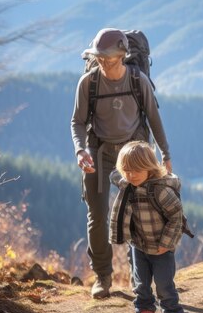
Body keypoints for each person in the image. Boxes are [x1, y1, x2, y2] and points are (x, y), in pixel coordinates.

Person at [70, 28, 172, 299]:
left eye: (110, 59)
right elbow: (77, 122)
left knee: (138, 215)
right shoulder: (88, 83)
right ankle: (103, 276)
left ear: (123, 55)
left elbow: (154, 119)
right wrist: (81, 150)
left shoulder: (139, 81)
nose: (104, 63)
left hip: (133, 154)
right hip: (99, 153)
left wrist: (165, 154)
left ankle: (139, 278)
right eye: (99, 58)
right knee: (98, 217)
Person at [109, 141, 183, 313]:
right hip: (138, 245)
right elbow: (114, 175)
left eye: (135, 170)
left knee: (163, 284)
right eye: (126, 170)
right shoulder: (128, 186)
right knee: (140, 284)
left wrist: (166, 244)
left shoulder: (160, 190)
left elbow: (176, 217)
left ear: (149, 168)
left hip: (161, 248)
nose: (130, 175)